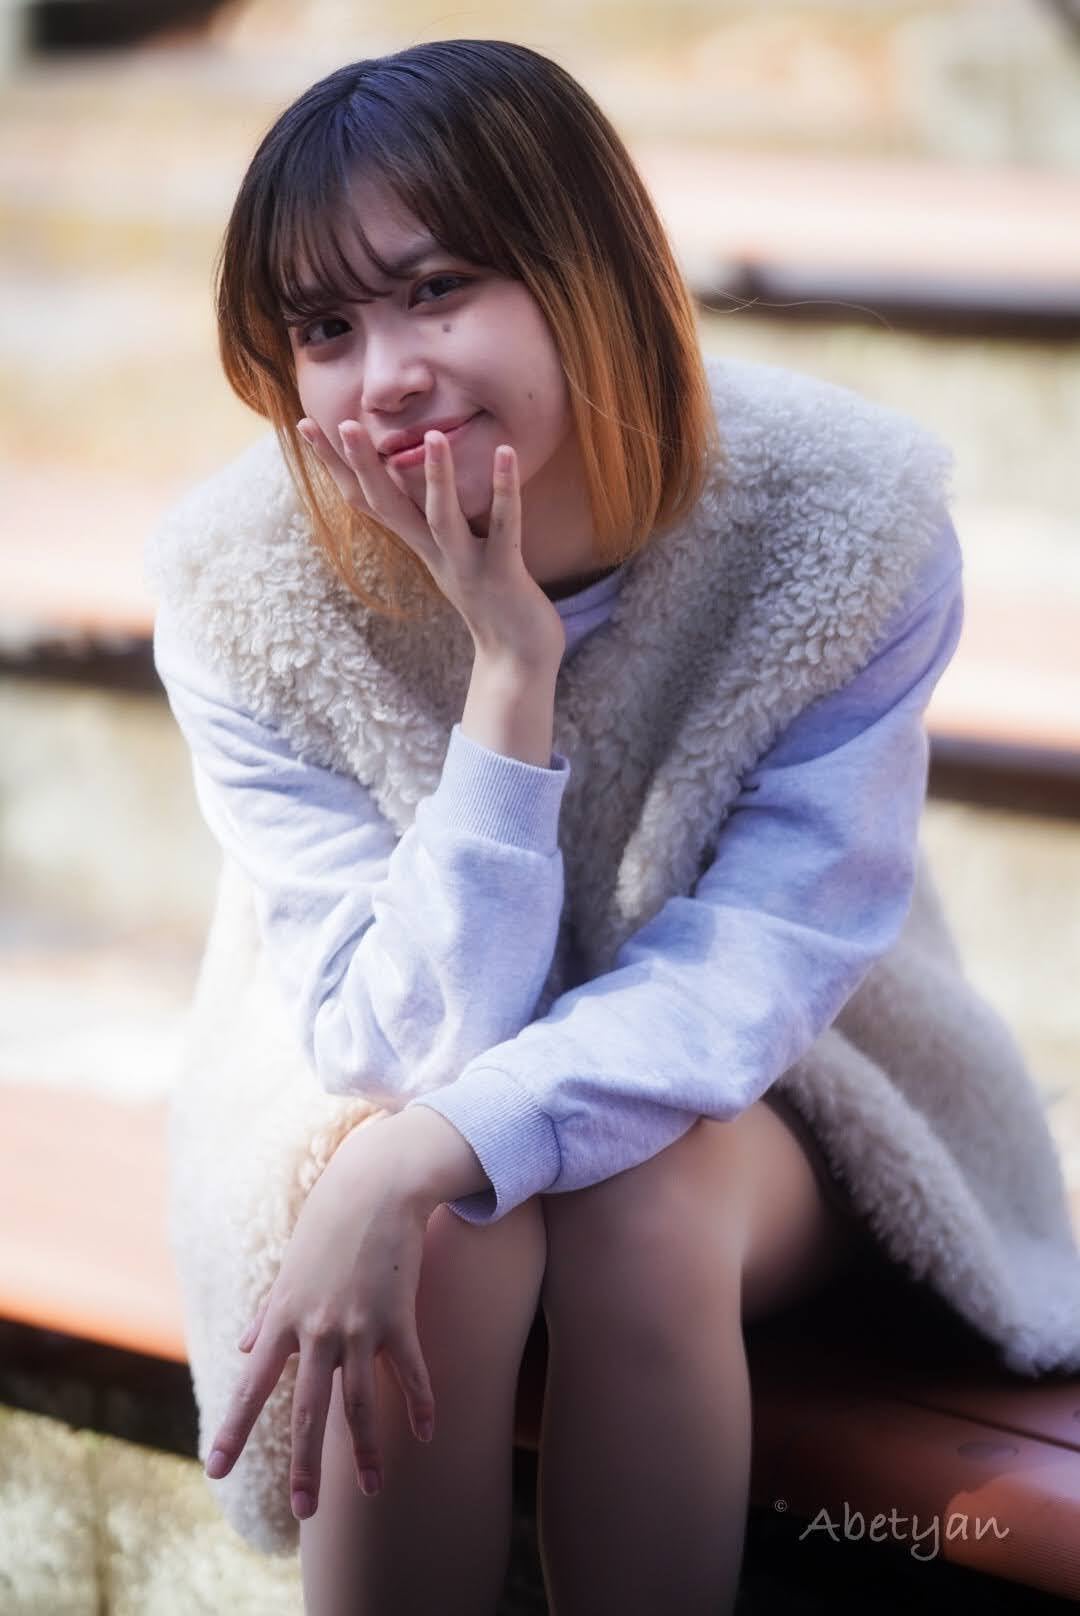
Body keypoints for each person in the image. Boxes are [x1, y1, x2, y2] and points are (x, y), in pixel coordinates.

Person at [145, 37, 1080, 1616]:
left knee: (631, 1201)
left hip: (776, 1098)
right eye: (326, 327)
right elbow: (395, 1045)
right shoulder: (248, 589)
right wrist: (507, 682)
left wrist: (430, 1150)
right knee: (444, 1230)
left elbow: (760, 967)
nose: (388, 373)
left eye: (438, 288)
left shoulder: (837, 525)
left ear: (586, 268)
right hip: (360, 1075)